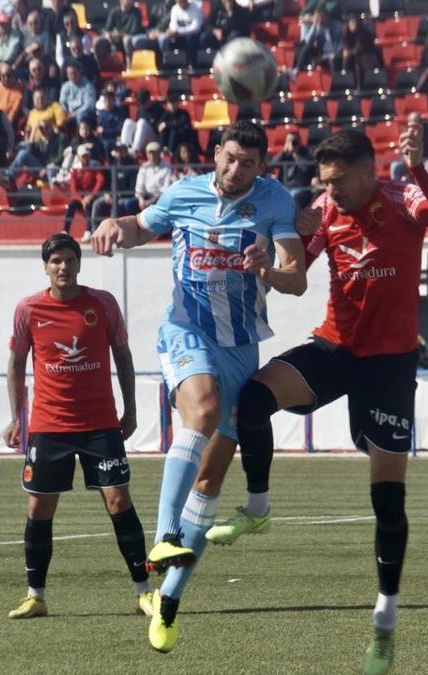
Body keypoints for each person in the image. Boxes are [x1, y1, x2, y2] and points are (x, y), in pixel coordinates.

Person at [204, 126, 428, 675]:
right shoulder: (323, 209)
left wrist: (419, 168)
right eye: (325, 182)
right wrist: (267, 266)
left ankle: (384, 625)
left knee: (387, 500)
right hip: (336, 348)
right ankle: (257, 509)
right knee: (252, 400)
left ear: (370, 170)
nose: (332, 191)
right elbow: (296, 273)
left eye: (340, 181)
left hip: (391, 365)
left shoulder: (404, 195)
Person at [88, 120, 306, 655]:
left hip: (240, 349)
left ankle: (169, 601)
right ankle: (164, 536)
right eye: (229, 159)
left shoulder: (275, 201)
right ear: (216, 154)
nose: (236, 171)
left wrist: (267, 272)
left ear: (262, 167)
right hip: (186, 330)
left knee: (209, 482)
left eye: (248, 164)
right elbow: (142, 225)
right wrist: (117, 225)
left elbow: (296, 276)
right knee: (202, 410)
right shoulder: (183, 192)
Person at [3, 233, 154, 621]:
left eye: (69, 260)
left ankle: (144, 591)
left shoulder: (102, 304)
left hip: (99, 424)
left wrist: (131, 408)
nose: (63, 267)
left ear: (79, 264)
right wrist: (17, 417)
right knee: (39, 506)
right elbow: (17, 363)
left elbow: (122, 354)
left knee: (119, 500)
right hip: (49, 426)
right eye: (55, 261)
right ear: (46, 267)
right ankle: (36, 596)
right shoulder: (28, 309)